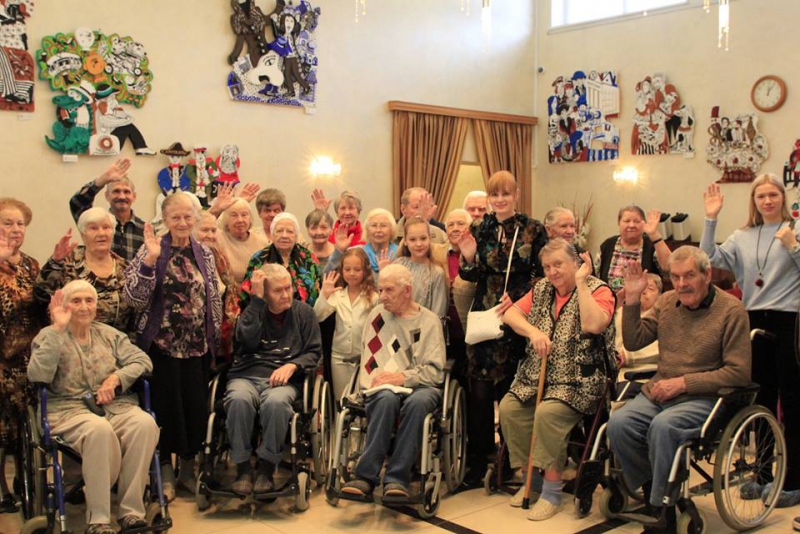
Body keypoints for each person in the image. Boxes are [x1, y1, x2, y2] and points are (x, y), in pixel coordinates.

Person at [607, 246, 751, 532]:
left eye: (689, 276)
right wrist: (632, 300)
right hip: (662, 391)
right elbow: (634, 341)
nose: (682, 284)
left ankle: (663, 509)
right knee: (619, 424)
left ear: (706, 275)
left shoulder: (731, 311)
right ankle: (655, 492)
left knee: (663, 427)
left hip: (705, 397)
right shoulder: (666, 302)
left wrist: (684, 383)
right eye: (675, 277)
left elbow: (739, 372)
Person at [700, 176, 800, 508]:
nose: (767, 201)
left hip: (790, 320)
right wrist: (711, 218)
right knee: (762, 398)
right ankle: (763, 474)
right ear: (754, 200)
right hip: (754, 318)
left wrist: (794, 246)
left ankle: (794, 480)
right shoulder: (743, 236)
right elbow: (708, 258)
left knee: (793, 401)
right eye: (761, 196)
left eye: (773, 195)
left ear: (782, 197)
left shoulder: (795, 229)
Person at [500, 239, 616, 521]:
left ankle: (552, 491)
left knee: (547, 413)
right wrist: (533, 332)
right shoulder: (542, 289)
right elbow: (510, 313)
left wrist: (581, 283)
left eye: (558, 265)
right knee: (509, 408)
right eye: (547, 267)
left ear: (576, 263)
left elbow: (594, 324)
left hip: (580, 381)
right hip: (537, 375)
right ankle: (531, 479)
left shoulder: (599, 290)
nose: (552, 272)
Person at [28, 281, 157, 534]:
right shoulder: (48, 335)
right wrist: (57, 329)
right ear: (64, 306)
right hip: (67, 410)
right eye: (76, 301)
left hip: (114, 406)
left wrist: (117, 378)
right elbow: (38, 375)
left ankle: (131, 512)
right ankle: (98, 520)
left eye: (89, 301)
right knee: (99, 429)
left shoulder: (110, 335)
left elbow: (143, 361)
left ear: (97, 306)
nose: (84, 307)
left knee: (144, 424)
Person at [123, 192, 222, 501]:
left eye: (187, 216)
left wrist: (215, 339)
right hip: (161, 347)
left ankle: (188, 471)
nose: (182, 222)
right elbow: (133, 298)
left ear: (196, 219)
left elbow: (213, 298)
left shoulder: (204, 252)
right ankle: (165, 472)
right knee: (166, 411)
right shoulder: (151, 248)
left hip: (197, 347)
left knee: (194, 410)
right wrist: (150, 261)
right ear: (164, 219)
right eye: (175, 217)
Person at [457, 170, 548, 482]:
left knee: (511, 389)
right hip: (485, 312)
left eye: (505, 194)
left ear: (516, 194)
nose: (499, 200)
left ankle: (510, 458)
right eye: (494, 194)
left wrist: (519, 295)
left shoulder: (533, 229)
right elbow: (470, 275)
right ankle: (479, 460)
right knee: (479, 392)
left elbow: (543, 273)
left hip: (518, 313)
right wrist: (468, 256)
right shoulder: (479, 228)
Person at [340, 264, 445, 497]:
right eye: (381, 290)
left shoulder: (429, 322)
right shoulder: (377, 316)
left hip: (421, 386)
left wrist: (402, 377)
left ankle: (397, 478)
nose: (382, 296)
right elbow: (369, 363)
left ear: (407, 291)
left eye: (389, 290)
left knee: (417, 403)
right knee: (385, 398)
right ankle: (365, 476)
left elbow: (435, 372)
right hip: (384, 386)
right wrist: (384, 381)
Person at [225, 264, 322, 494]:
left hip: (284, 380)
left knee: (276, 403)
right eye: (278, 290)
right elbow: (245, 341)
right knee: (238, 400)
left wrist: (293, 365)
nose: (286, 294)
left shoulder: (304, 313)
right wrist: (256, 303)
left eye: (288, 288)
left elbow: (314, 352)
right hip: (247, 374)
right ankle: (242, 468)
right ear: (264, 293)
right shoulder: (253, 310)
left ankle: (267, 468)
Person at [0, 198, 43, 510]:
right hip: (1, 361)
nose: (15, 229)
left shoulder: (30, 265)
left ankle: (24, 482)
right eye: (7, 223)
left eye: (20, 224)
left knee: (24, 426)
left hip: (28, 359)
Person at [35, 207, 133, 334]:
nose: (101, 233)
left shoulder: (126, 268)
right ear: (83, 234)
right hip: (70, 340)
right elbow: (40, 296)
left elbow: (135, 312)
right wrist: (54, 261)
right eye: (93, 228)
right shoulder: (66, 261)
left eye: (106, 227)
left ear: (113, 232)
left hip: (115, 341)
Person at [314, 248, 378, 401]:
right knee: (341, 399)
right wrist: (324, 294)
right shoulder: (337, 294)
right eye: (347, 269)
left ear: (365, 271)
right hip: (339, 357)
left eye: (357, 269)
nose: (352, 273)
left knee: (361, 399)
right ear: (341, 270)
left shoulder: (373, 297)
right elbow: (318, 316)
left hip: (365, 356)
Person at [69, 158, 145, 262]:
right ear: (107, 196)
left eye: (126, 192)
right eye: (116, 191)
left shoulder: (145, 230)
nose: (122, 196)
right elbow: (77, 203)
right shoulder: (95, 222)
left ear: (134, 196)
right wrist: (101, 180)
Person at [241, 212, 321, 310]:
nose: (284, 235)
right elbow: (247, 295)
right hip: (268, 315)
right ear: (272, 234)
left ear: (296, 236)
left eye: (290, 231)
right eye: (279, 231)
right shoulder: (259, 259)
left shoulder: (309, 258)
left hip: (304, 315)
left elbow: (318, 290)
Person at [434, 209, 475, 377]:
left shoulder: (478, 254)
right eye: (451, 225)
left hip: (470, 326)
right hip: (445, 329)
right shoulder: (436, 252)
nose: (455, 228)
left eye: (461, 224)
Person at [194, 211, 238, 364]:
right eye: (205, 230)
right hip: (195, 332)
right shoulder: (188, 258)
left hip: (219, 330)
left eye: (213, 230)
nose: (210, 235)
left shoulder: (218, 255)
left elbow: (229, 289)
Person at [597, 205, 671, 295]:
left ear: (644, 224)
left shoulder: (652, 245)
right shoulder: (607, 245)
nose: (631, 225)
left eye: (637, 221)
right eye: (627, 221)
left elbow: (669, 267)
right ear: (619, 223)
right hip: (610, 301)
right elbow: (596, 278)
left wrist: (654, 234)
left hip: (645, 301)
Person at [208, 181, 265, 284]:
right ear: (226, 219)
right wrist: (217, 209)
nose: (240, 220)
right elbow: (198, 227)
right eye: (234, 215)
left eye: (244, 214)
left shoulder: (262, 242)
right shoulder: (217, 237)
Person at [394, 217, 448, 319]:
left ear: (430, 239)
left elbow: (438, 313)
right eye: (412, 239)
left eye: (423, 238)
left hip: (424, 326)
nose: (419, 244)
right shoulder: (398, 265)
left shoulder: (436, 272)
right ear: (405, 241)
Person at [324, 208, 398, 275]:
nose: (378, 230)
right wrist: (339, 251)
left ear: (392, 229)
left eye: (383, 225)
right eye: (374, 225)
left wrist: (386, 273)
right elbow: (327, 275)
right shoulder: (355, 252)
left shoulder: (399, 254)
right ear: (367, 229)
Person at [614, 273, 661, 376]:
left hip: (640, 373)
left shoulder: (661, 317)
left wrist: (626, 356)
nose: (643, 291)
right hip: (613, 371)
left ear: (660, 296)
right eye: (641, 287)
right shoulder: (620, 311)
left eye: (650, 288)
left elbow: (661, 348)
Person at [543, 206, 595, 275]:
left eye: (572, 226)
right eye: (564, 226)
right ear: (548, 230)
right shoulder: (538, 254)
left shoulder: (583, 255)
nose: (570, 231)